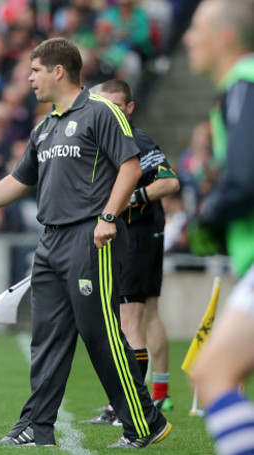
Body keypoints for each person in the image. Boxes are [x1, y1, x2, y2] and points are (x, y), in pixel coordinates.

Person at [0, 38, 170, 448]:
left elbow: (129, 166)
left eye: (35, 71)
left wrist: (108, 216)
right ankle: (36, 427)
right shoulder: (45, 127)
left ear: (58, 71)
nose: (29, 79)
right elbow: (19, 181)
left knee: (100, 332)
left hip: (91, 235)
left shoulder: (101, 111)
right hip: (50, 240)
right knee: (48, 337)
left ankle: (145, 422)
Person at [83, 79, 180, 426]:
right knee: (148, 313)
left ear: (129, 107)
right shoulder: (106, 139)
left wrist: (130, 200)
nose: (107, 113)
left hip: (138, 234)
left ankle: (127, 406)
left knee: (130, 319)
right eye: (102, 106)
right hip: (146, 231)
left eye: (114, 106)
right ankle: (159, 392)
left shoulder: (135, 139)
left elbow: (170, 182)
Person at [184, 1, 254, 454]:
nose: (188, 37)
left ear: (224, 38)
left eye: (195, 28)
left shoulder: (244, 82)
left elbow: (246, 177)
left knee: (211, 373)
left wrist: (205, 217)